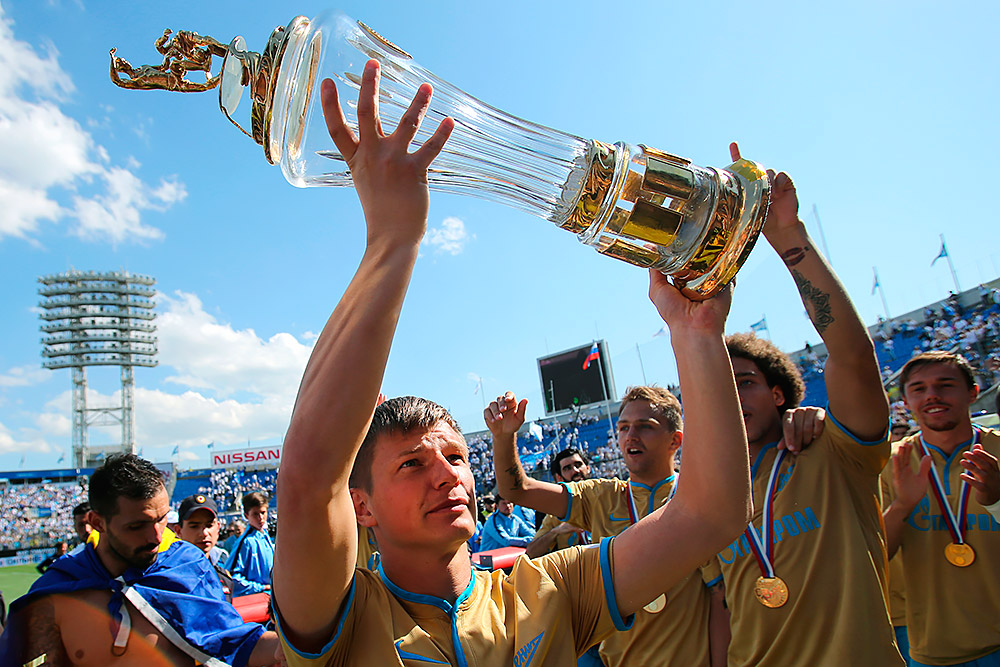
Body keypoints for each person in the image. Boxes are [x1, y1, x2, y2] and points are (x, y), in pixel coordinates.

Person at [269, 59, 751, 665]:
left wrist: (697, 332)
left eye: (455, 456)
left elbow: (712, 513)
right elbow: (309, 482)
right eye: (412, 463)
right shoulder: (340, 618)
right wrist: (392, 237)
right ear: (361, 505)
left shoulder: (549, 589)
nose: (447, 476)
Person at [717, 145, 902, 666]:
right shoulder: (711, 496)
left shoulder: (836, 451)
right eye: (721, 388)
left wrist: (789, 239)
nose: (731, 397)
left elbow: (852, 357)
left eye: (744, 383)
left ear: (778, 395)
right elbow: (719, 609)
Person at [488, 386, 727, 667]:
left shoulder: (696, 501)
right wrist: (504, 437)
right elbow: (518, 490)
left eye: (644, 426)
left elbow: (718, 596)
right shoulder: (601, 497)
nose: (630, 435)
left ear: (675, 440)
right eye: (623, 427)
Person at [0, 453, 281, 666]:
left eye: (161, 519)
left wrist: (294, 651)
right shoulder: (59, 591)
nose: (156, 537)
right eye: (137, 526)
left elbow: (237, 644)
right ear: (97, 522)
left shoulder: (187, 567)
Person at [883, 351, 1000, 666]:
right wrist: (902, 505)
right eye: (918, 389)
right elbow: (876, 556)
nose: (932, 395)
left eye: (945, 385)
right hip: (934, 647)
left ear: (973, 392)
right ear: (905, 402)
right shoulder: (888, 463)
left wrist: (997, 501)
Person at [523, 449, 592, 559]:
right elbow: (531, 552)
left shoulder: (608, 496)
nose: (575, 470)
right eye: (567, 468)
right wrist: (556, 532)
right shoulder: (555, 515)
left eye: (578, 465)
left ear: (588, 468)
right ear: (559, 478)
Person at [177, 493, 234, 602]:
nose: (204, 533)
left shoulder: (224, 577)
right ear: (178, 531)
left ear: (218, 528)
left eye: (209, 525)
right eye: (194, 526)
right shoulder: (170, 577)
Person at [226, 490, 274, 597]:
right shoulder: (246, 542)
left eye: (263, 513)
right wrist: (261, 587)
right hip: (255, 599)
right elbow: (231, 577)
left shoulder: (265, 536)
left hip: (269, 597)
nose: (260, 518)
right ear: (246, 515)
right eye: (255, 514)